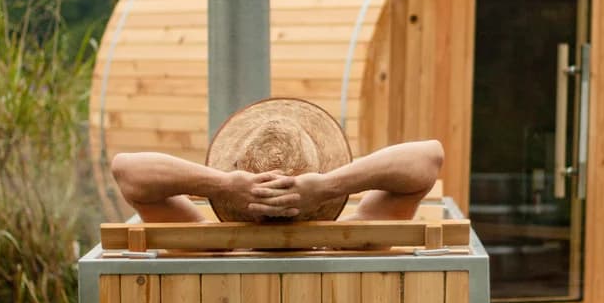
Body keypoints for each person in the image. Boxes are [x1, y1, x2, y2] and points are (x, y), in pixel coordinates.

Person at [111, 97, 444, 225]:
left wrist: (224, 185)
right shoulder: (355, 240)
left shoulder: (203, 245)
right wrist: (328, 186)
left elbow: (127, 170)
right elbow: (429, 157)